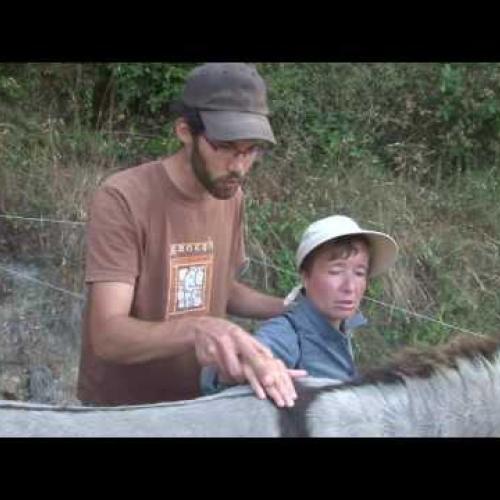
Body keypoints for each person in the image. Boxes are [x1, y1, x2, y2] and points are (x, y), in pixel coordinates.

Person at [77, 63, 306, 408]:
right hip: (120, 412)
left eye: (251, 150)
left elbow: (221, 288)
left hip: (198, 405)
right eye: (226, 147)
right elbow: (108, 335)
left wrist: (293, 309)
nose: (239, 167)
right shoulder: (123, 198)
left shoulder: (231, 196)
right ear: (185, 131)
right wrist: (201, 328)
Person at [201, 215, 399, 394]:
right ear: (305, 276)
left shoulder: (340, 329)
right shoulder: (288, 333)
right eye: (335, 271)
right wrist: (236, 368)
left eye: (359, 273)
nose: (350, 287)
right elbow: (228, 370)